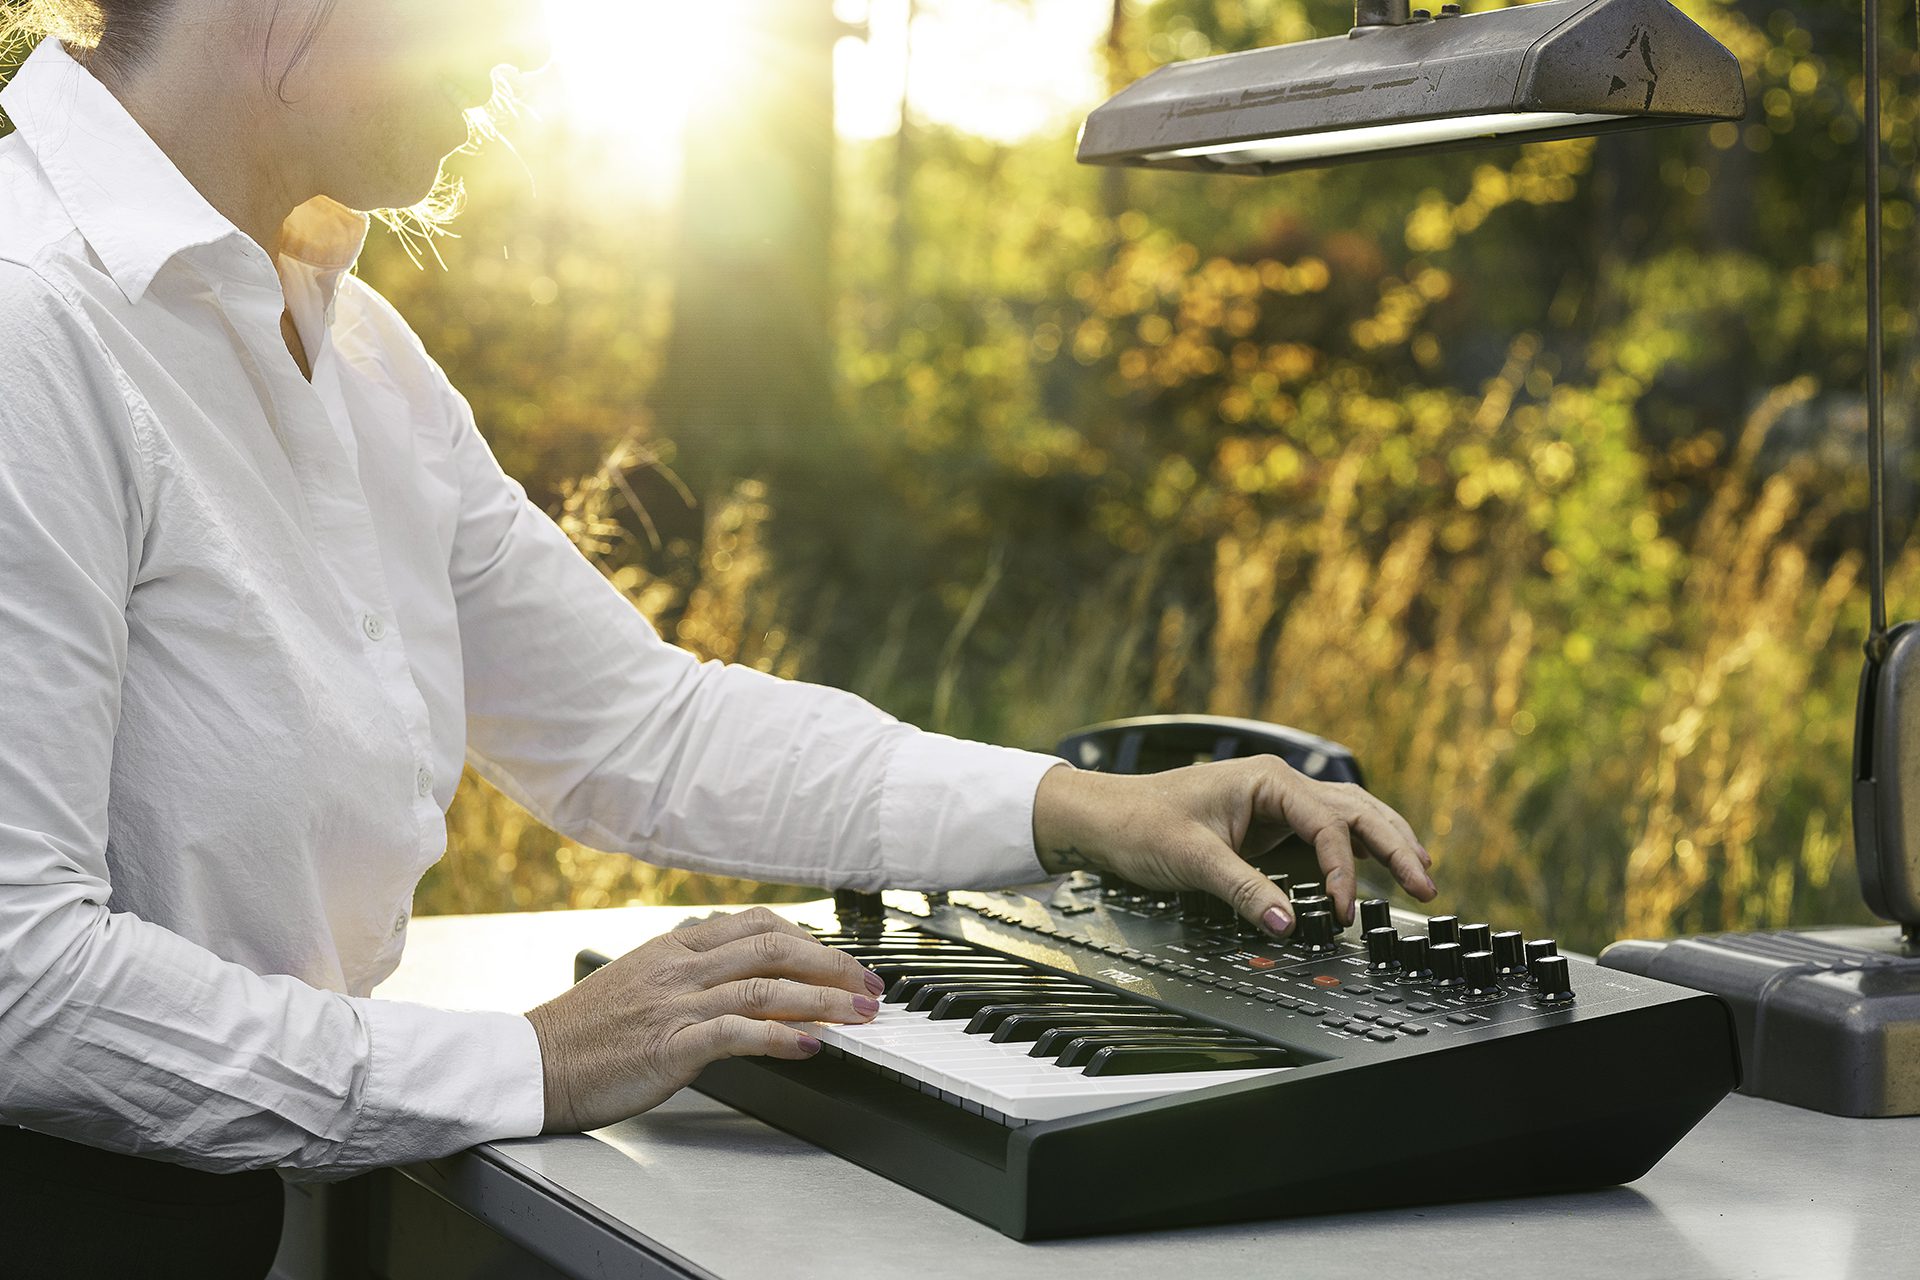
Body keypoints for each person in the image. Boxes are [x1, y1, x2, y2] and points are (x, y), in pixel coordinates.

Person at [0, 2, 1437, 1275]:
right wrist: (530, 1063)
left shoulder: (358, 350)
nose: (533, 43)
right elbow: (23, 984)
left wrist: (1086, 811)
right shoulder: (31, 325)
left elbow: (639, 726)